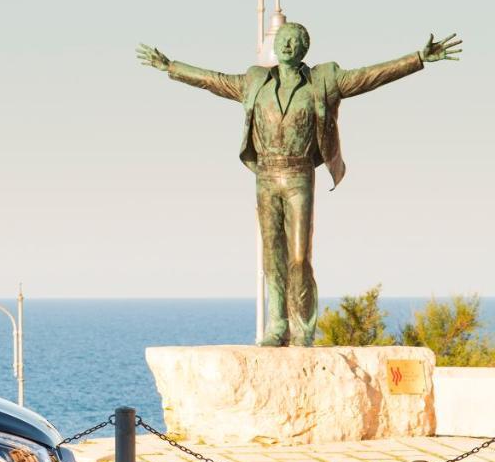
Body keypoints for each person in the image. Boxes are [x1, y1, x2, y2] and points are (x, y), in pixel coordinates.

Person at [136, 26, 461, 346]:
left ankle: (302, 326)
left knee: (298, 256)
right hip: (265, 176)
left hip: (299, 176)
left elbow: (369, 77)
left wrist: (417, 58)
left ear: (305, 47)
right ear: (276, 45)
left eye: (295, 40)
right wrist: (172, 67)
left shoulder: (324, 80)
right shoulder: (255, 81)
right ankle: (277, 324)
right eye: (283, 39)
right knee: (271, 257)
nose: (288, 44)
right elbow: (214, 81)